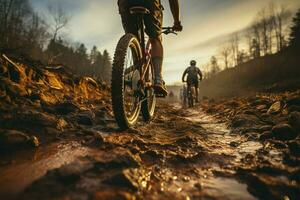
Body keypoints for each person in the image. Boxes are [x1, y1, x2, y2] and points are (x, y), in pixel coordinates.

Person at [117, 0, 183, 96]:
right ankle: (158, 80)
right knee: (155, 39)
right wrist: (176, 22)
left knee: (134, 38)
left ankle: (138, 72)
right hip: (150, 2)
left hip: (125, 3)